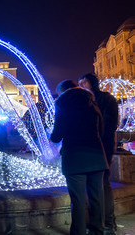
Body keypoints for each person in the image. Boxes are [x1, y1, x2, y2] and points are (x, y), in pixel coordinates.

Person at [51, 80, 108, 235]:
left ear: (63, 91)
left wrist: (52, 136)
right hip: (96, 155)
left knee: (78, 200)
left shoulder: (62, 103)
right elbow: (101, 129)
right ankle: (97, 231)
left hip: (75, 157)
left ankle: (79, 232)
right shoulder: (92, 101)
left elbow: (57, 135)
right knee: (96, 198)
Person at [79, 73, 119, 234]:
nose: (81, 85)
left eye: (84, 82)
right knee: (94, 185)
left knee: (103, 183)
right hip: (91, 148)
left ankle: (108, 223)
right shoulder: (84, 101)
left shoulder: (105, 99)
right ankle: (99, 223)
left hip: (102, 148)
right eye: (79, 83)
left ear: (93, 83)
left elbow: (110, 125)